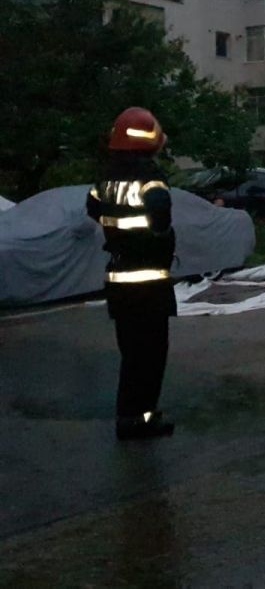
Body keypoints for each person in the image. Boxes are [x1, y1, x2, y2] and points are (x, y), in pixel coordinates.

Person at [87, 107, 177, 441]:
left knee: (131, 354)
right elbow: (161, 213)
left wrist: (119, 232)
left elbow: (93, 208)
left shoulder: (107, 177)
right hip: (149, 282)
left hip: (118, 278)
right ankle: (145, 419)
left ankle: (126, 418)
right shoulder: (150, 176)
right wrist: (158, 236)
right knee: (152, 355)